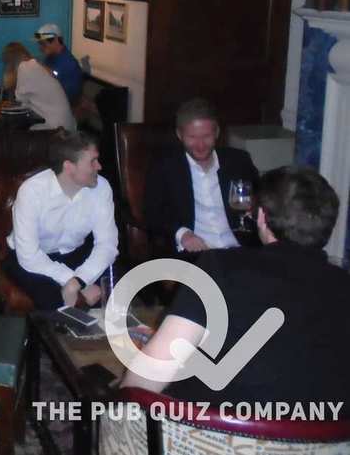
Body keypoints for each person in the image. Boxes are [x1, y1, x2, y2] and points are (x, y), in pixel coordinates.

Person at [122, 166, 350, 414]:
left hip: (212, 432)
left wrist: (115, 411)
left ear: (261, 216)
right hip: (329, 433)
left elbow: (146, 378)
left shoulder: (220, 266)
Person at [4, 130, 118, 311]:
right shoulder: (32, 192)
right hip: (33, 259)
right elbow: (29, 256)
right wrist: (72, 279)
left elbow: (108, 245)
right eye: (92, 162)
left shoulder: (101, 188)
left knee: (116, 290)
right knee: (53, 301)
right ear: (69, 167)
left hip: (75, 253)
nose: (99, 166)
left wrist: (79, 281)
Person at [145, 98, 259, 253]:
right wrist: (183, 234)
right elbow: (153, 213)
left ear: (217, 133)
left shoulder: (239, 161)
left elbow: (261, 197)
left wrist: (255, 207)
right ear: (179, 135)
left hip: (240, 250)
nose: (200, 145)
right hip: (197, 254)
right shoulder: (164, 167)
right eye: (192, 137)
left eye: (206, 136)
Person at [1, 41, 76, 131]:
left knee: (16, 132)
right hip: (65, 124)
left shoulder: (24, 67)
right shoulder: (34, 65)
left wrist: (1, 106)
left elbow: (19, 102)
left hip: (56, 128)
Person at [34, 23, 83, 105]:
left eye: (43, 44)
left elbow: (69, 99)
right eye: (40, 44)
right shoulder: (49, 57)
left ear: (56, 40)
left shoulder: (69, 65)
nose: (40, 48)